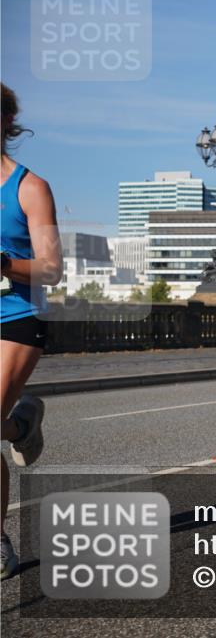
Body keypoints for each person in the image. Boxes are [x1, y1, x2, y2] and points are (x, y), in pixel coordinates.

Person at [1, 83, 63, 579]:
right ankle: (21, 425)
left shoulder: (29, 188)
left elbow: (51, 269)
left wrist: (3, 262)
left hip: (16, 316)